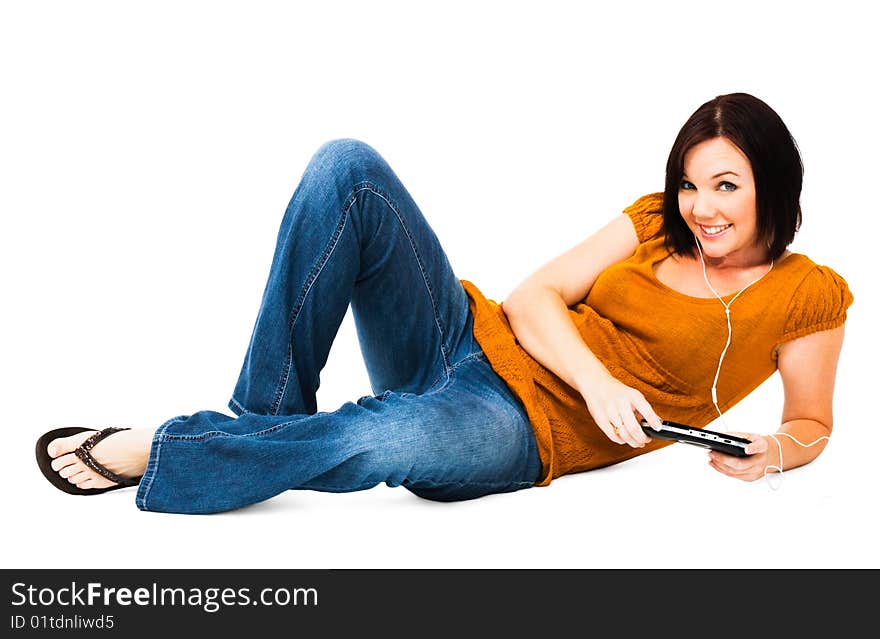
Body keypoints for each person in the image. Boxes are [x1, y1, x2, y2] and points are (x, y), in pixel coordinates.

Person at [35, 92, 853, 514]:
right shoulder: (653, 222)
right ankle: (265, 427)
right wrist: (601, 381)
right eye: (689, 182)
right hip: (467, 336)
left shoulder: (804, 294)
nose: (700, 206)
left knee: (381, 433)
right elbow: (536, 297)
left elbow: (811, 421)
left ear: (772, 185)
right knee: (347, 166)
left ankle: (187, 449)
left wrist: (774, 452)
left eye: (725, 186)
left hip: (519, 431)